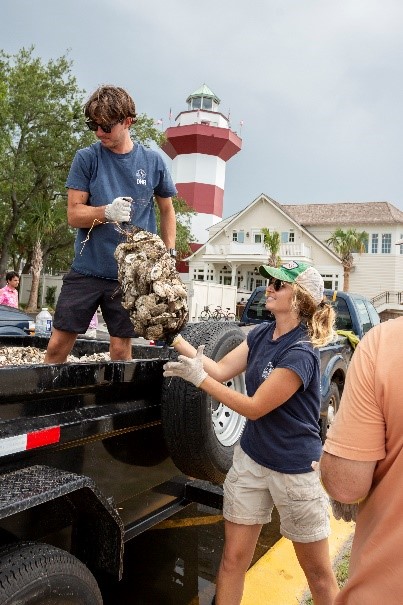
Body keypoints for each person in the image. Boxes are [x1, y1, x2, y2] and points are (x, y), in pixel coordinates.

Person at [163, 261, 339, 605]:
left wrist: (201, 381)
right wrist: (177, 339)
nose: (269, 288)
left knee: (318, 575)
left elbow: (255, 407)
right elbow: (220, 368)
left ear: (300, 299)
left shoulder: (301, 352)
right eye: (270, 282)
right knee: (231, 560)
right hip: (252, 461)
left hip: (295, 470)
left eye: (279, 285)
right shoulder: (259, 334)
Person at [45, 85, 177, 363]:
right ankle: (41, 404)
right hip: (87, 269)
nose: (98, 132)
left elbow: (167, 210)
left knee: (120, 351)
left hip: (129, 275)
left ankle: (117, 406)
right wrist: (107, 211)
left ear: (127, 121)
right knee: (57, 346)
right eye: (93, 125)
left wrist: (169, 253)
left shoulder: (153, 162)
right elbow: (73, 214)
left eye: (105, 125)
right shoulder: (87, 158)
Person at [319, 316, 403, 604]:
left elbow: (345, 484)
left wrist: (339, 457)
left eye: (279, 286)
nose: (270, 290)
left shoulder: (386, 343)